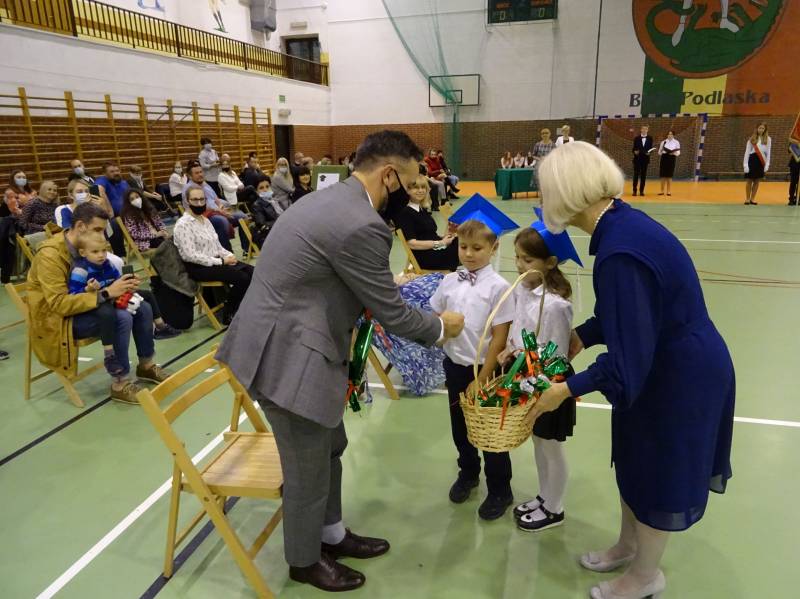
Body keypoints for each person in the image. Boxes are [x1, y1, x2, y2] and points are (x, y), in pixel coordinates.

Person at [216, 130, 465, 593]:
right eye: (411, 182)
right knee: (307, 466)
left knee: (330, 446)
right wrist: (440, 327)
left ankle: (330, 534)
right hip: (287, 356)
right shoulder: (362, 224)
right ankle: (304, 560)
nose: (415, 191)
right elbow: (392, 313)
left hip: (287, 339)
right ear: (388, 175)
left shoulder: (326, 199)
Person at [532, 141, 734, 599]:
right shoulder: (621, 225)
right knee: (634, 460)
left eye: (546, 191)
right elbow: (629, 313)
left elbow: (625, 365)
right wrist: (583, 334)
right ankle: (628, 546)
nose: (543, 200)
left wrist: (565, 389)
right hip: (662, 360)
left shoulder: (620, 252)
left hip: (678, 375)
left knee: (657, 473)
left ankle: (645, 577)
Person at [27, 202, 171, 403]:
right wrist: (107, 292)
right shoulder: (50, 255)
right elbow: (59, 304)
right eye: (97, 229)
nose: (102, 235)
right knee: (121, 316)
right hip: (59, 320)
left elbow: (104, 283)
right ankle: (120, 381)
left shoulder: (91, 247)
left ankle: (146, 365)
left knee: (143, 307)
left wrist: (123, 286)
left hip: (90, 305)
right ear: (80, 226)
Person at [430, 196, 518, 520]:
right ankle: (468, 473)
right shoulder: (449, 281)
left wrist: (482, 378)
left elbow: (500, 336)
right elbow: (436, 314)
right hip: (454, 366)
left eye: (477, 248)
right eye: (463, 246)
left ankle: (500, 488)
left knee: (490, 431)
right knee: (460, 427)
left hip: (486, 371)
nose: (468, 253)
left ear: (493, 248)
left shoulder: (499, 287)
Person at [501, 218, 582, 533]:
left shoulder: (555, 306)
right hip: (526, 375)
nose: (519, 265)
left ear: (550, 263)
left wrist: (530, 366)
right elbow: (520, 329)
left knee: (551, 446)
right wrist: (511, 348)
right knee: (538, 441)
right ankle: (544, 496)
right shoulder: (524, 289)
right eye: (517, 257)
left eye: (527, 259)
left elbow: (556, 353)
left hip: (548, 381)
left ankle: (555, 507)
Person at [67, 236, 180, 351]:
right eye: (95, 252)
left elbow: (117, 279)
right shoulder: (80, 271)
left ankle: (161, 327)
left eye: (104, 251)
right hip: (99, 300)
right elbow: (74, 293)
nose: (101, 255)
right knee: (107, 313)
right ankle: (109, 352)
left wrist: (128, 282)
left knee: (148, 295)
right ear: (82, 252)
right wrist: (87, 289)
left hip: (115, 295)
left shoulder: (108, 263)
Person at [174, 185, 253, 323]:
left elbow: (217, 246)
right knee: (242, 278)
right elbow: (189, 255)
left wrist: (228, 255)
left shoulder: (205, 220)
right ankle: (229, 312)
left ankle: (242, 306)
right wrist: (221, 261)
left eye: (202, 199)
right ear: (187, 201)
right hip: (198, 267)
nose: (199, 203)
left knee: (252, 272)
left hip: (216, 261)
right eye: (195, 200)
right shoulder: (183, 225)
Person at [393, 174, 459, 271]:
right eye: (416, 188)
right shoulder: (405, 213)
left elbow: (429, 235)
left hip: (435, 250)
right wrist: (440, 243)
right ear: (407, 191)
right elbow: (412, 244)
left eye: (423, 187)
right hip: (426, 257)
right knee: (466, 245)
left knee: (463, 240)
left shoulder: (422, 209)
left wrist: (448, 234)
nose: (420, 190)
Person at [182, 160, 249, 253]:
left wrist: (221, 206)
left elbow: (216, 198)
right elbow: (201, 206)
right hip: (202, 216)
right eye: (196, 173)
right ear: (190, 176)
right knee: (222, 221)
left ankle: (247, 249)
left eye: (201, 172)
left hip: (217, 212)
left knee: (243, 216)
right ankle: (228, 254)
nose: (200, 174)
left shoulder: (205, 184)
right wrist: (220, 212)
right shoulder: (189, 189)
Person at [743, 122, 771, 205]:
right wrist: (745, 165)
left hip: (761, 161)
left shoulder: (768, 139)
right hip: (752, 160)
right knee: (749, 180)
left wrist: (767, 164)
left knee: (757, 181)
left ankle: (752, 199)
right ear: (757, 129)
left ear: (765, 129)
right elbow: (747, 152)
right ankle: (747, 198)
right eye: (760, 128)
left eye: (763, 128)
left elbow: (768, 152)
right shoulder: (752, 139)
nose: (761, 130)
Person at [250, 175, 281, 248]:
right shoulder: (256, 205)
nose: (265, 190)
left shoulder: (275, 201)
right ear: (256, 191)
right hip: (269, 236)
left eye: (267, 186)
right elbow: (262, 224)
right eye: (261, 188)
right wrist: (281, 222)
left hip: (280, 230)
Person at [632, 124, 654, 196]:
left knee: (643, 175)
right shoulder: (636, 138)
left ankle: (641, 191)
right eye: (643, 129)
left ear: (647, 130)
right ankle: (634, 190)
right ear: (641, 130)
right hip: (637, 159)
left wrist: (649, 153)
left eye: (646, 129)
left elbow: (650, 148)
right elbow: (633, 149)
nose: (644, 130)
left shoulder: (650, 138)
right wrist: (635, 152)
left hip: (645, 159)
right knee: (636, 175)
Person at [657, 131, 681, 196]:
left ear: (673, 135)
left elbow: (678, 152)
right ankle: (662, 191)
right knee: (663, 175)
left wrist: (674, 153)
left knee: (669, 176)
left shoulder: (676, 142)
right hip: (664, 158)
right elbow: (659, 152)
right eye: (668, 134)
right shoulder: (663, 142)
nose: (670, 135)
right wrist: (661, 151)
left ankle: (668, 191)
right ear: (667, 135)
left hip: (672, 158)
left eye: (671, 134)